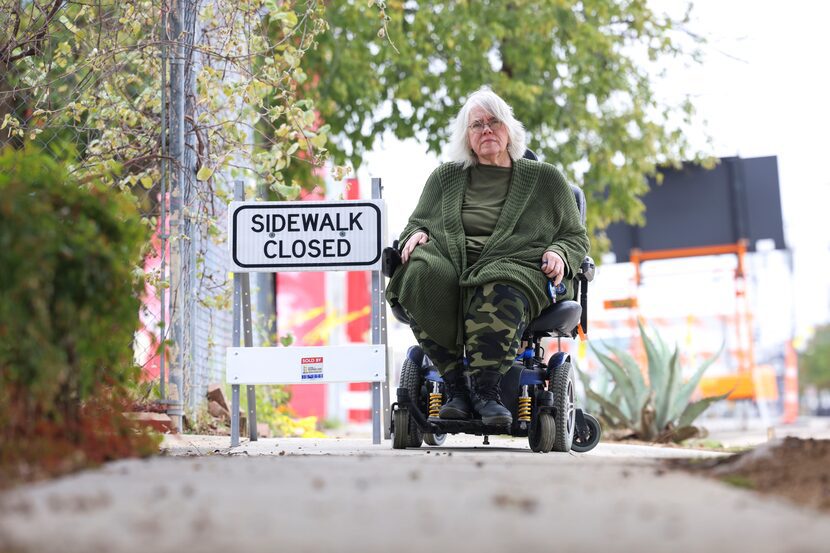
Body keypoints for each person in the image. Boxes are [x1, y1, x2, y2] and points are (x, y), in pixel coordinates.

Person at [385, 87, 589, 426]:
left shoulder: (546, 178)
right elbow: (417, 223)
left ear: (509, 129)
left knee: (496, 283)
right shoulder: (445, 177)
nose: (486, 130)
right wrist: (416, 235)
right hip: (453, 263)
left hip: (517, 264)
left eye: (494, 122)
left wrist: (559, 251)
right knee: (420, 273)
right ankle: (455, 389)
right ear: (466, 136)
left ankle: (487, 391)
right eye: (476, 124)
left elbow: (575, 235)